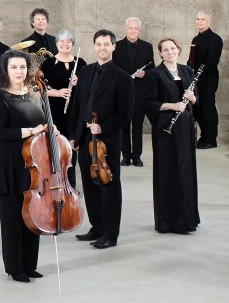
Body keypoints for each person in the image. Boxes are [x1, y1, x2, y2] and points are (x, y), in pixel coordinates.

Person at [68, 30, 133, 249]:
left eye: (107, 44)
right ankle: (96, 226)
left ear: (114, 47)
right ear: (94, 46)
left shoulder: (123, 77)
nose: (102, 47)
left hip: (108, 140)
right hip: (85, 137)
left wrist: (102, 126)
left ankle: (110, 233)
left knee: (109, 185)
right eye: (99, 44)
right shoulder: (85, 72)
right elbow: (77, 107)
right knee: (90, 183)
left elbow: (126, 113)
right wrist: (73, 137)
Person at [0, 50, 45, 282]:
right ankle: (15, 268)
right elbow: (0, 133)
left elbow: (43, 122)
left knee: (33, 216)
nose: (19, 72)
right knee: (12, 219)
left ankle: (30, 265)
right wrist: (32, 131)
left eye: (22, 67)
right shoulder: (1, 98)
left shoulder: (34, 93)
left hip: (33, 163)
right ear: (6, 70)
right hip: (10, 163)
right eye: (14, 67)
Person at [144, 38, 200, 234]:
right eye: (165, 50)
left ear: (178, 50)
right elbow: (149, 103)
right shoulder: (155, 74)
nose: (170, 52)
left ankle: (186, 220)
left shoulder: (187, 71)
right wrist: (172, 106)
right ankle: (168, 222)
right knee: (167, 171)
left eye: (173, 49)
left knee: (185, 171)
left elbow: (195, 100)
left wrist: (193, 98)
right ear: (160, 54)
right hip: (165, 130)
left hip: (184, 129)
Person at [40, 29, 86, 187]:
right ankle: (56, 184)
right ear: (57, 44)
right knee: (56, 149)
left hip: (75, 113)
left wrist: (79, 82)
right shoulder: (48, 64)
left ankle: (71, 185)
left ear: (72, 44)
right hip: (55, 113)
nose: (65, 44)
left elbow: (88, 89)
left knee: (72, 151)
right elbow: (40, 89)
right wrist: (58, 93)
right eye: (62, 41)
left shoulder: (81, 64)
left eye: (68, 41)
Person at [112, 17, 155, 166]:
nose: (132, 31)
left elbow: (152, 68)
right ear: (126, 29)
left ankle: (136, 156)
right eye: (130, 28)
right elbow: (113, 67)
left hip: (139, 91)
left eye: (135, 29)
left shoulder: (147, 47)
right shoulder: (116, 46)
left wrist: (145, 73)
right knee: (124, 124)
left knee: (137, 125)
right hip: (122, 92)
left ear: (139, 30)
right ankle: (125, 156)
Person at [189, 11, 223, 149]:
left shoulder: (215, 39)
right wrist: (188, 71)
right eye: (197, 19)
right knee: (198, 109)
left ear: (208, 22)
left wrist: (198, 74)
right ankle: (203, 138)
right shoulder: (195, 40)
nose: (200, 22)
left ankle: (211, 139)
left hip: (208, 79)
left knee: (207, 108)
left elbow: (212, 61)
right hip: (196, 79)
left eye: (203, 19)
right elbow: (191, 60)